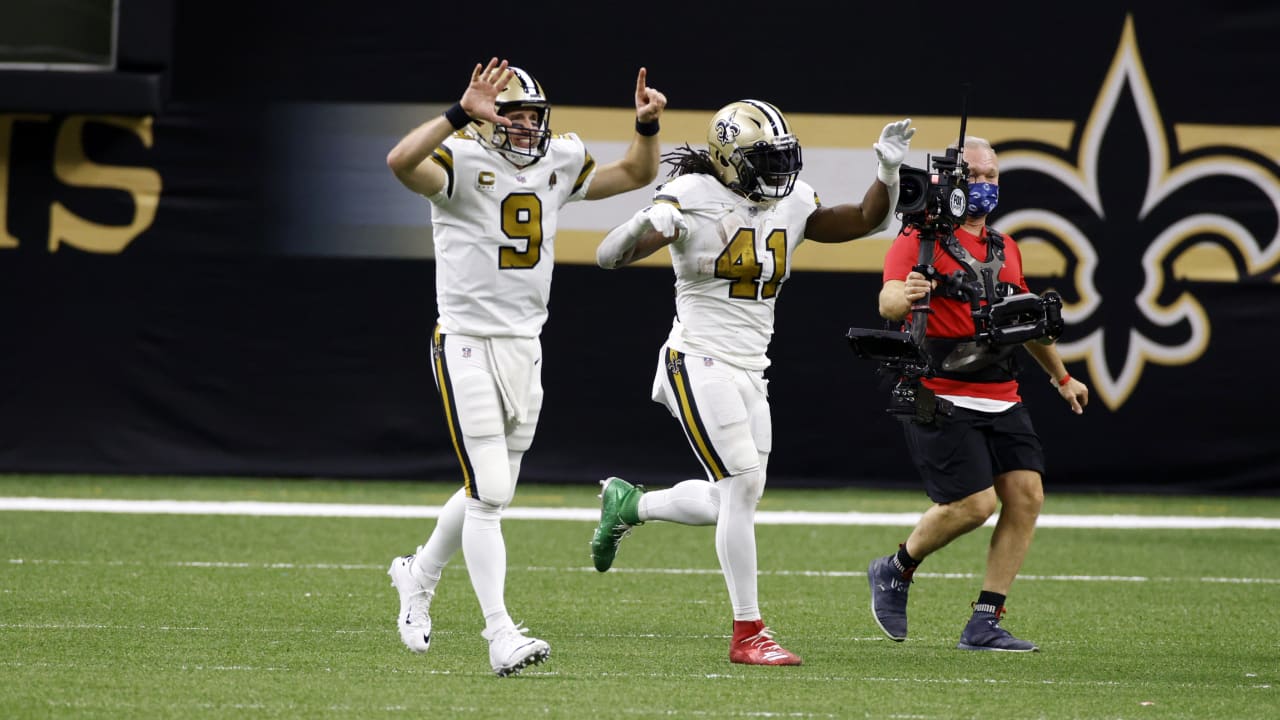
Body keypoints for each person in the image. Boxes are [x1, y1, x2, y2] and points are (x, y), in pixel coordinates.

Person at [589, 99, 916, 665]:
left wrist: (886, 171)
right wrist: (647, 221)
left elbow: (865, 221)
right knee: (740, 485)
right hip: (696, 357)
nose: (778, 172)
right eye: (764, 160)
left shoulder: (789, 198)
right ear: (729, 158)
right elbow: (607, 256)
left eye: (781, 158)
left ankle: (630, 505)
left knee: (732, 499)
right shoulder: (691, 194)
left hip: (750, 366)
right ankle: (749, 633)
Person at [383, 58, 667, 677]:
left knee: (493, 488)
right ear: (486, 119)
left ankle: (417, 574)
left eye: (531, 116)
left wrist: (645, 126)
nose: (522, 127)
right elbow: (401, 162)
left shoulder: (558, 159)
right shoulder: (458, 155)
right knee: (489, 496)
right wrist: (458, 111)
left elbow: (635, 174)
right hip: (465, 341)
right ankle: (499, 634)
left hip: (524, 344)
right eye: (511, 115)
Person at [865, 136, 1089, 652]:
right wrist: (907, 294)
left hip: (999, 388)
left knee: (1027, 497)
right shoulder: (920, 239)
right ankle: (895, 569)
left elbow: (1025, 322)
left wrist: (1062, 377)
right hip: (940, 388)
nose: (986, 184)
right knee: (973, 504)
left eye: (993, 176)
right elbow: (889, 297)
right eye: (977, 175)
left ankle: (985, 620)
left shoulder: (1004, 246)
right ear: (951, 179)